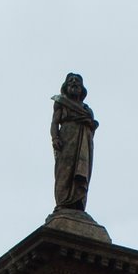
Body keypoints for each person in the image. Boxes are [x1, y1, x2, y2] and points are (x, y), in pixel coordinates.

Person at [50, 72, 99, 211]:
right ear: (65, 86)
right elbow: (54, 123)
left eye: (77, 81)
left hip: (84, 143)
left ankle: (78, 203)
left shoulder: (87, 110)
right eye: (70, 80)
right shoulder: (61, 102)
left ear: (82, 88)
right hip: (67, 139)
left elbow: (92, 128)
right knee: (64, 171)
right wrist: (55, 138)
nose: (74, 82)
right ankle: (63, 203)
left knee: (82, 172)